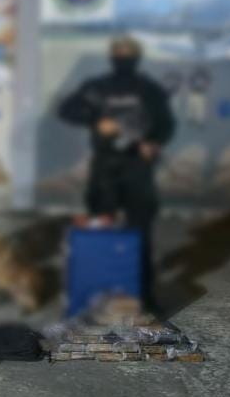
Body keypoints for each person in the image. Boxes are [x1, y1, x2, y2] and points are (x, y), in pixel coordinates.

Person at [58, 36, 175, 308]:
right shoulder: (97, 86)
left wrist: (154, 143)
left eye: (129, 52)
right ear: (111, 56)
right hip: (105, 167)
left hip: (137, 167)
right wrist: (96, 120)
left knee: (140, 232)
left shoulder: (149, 89)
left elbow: (167, 123)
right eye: (119, 52)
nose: (123, 57)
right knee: (101, 229)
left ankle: (143, 297)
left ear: (137, 56)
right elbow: (66, 110)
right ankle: (99, 294)